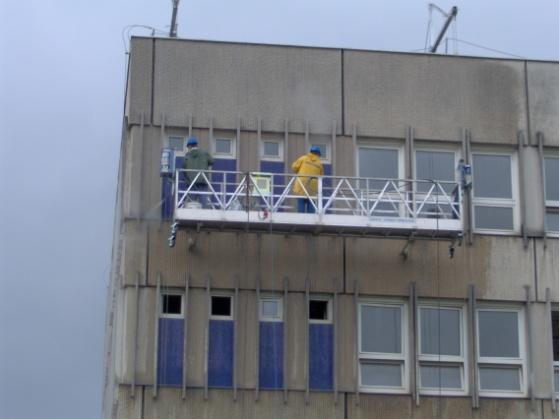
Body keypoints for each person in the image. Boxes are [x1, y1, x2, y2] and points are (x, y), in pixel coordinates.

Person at [291, 145, 324, 213]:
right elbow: (321, 176)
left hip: (302, 184)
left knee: (301, 201)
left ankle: (301, 218)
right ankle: (311, 218)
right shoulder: (319, 164)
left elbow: (294, 167)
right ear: (318, 154)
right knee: (311, 202)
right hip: (313, 186)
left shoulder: (303, 158)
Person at [183, 137, 214, 208]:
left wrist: (187, 179)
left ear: (190, 146)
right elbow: (212, 161)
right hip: (203, 181)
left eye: (188, 147)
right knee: (204, 201)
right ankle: (204, 213)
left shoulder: (187, 156)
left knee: (191, 203)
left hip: (191, 183)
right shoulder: (204, 153)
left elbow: (184, 168)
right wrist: (205, 164)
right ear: (196, 145)